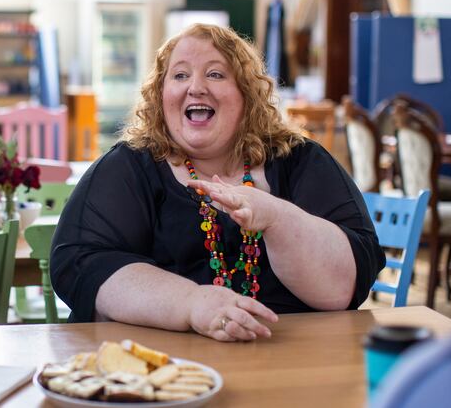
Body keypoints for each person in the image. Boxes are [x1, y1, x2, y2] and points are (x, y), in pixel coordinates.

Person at [51, 23, 384, 342]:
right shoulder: (128, 167)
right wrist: (191, 303)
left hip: (292, 363)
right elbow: (82, 264)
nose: (195, 87)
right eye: (180, 75)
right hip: (159, 367)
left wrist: (276, 218)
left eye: (215, 74)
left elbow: (345, 284)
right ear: (161, 94)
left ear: (246, 94)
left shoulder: (300, 161)